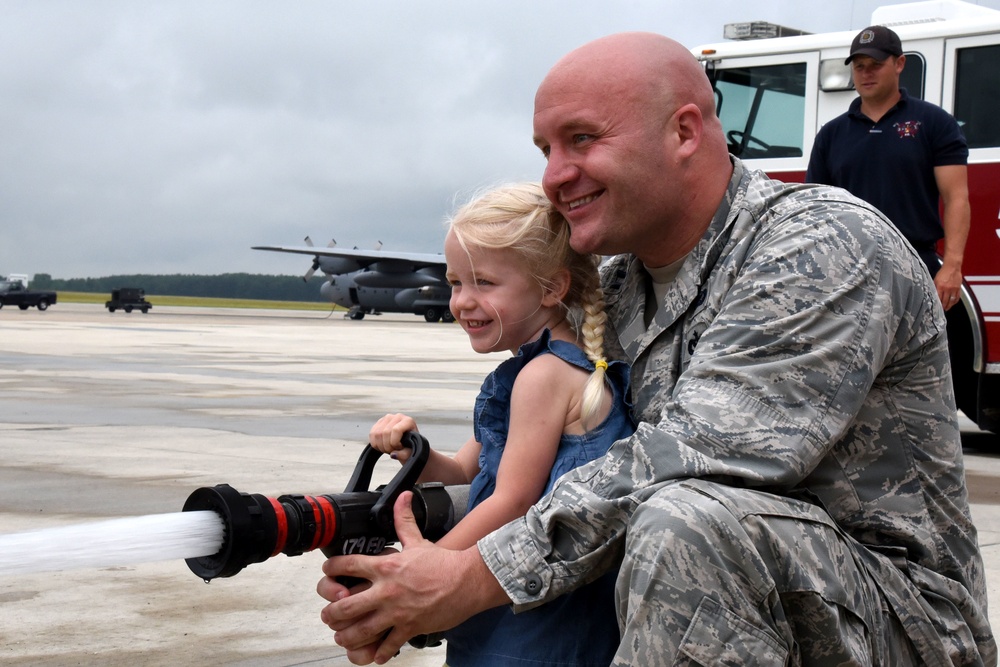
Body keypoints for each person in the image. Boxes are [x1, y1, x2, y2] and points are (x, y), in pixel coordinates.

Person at [318, 32, 996, 666]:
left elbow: (685, 461)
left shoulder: (818, 247)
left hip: (901, 621)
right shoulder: (618, 289)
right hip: (737, 600)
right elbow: (560, 479)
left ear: (683, 132)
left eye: (581, 139)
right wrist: (408, 572)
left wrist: (470, 576)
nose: (555, 176)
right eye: (545, 149)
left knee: (684, 522)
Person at [366, 181, 633, 666]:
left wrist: (425, 569)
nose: (462, 302)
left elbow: (513, 500)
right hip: (515, 593)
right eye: (455, 282)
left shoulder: (544, 376)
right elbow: (468, 474)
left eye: (484, 283)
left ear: (552, 287)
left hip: (537, 622)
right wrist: (415, 453)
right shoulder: (532, 373)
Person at [806, 24, 971, 312]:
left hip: (914, 264)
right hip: (847, 270)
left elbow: (957, 197)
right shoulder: (831, 135)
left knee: (916, 358)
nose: (866, 73)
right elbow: (814, 211)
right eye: (859, 66)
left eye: (876, 65)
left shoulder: (934, 123)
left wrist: (953, 267)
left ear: (899, 64)